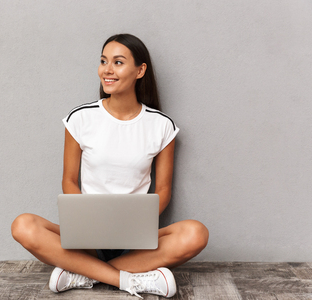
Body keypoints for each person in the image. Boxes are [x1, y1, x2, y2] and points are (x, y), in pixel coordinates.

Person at [11, 33, 209, 298]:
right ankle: (128, 280)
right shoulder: (80, 118)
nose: (107, 69)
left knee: (196, 233)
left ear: (140, 70)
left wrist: (134, 224)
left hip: (137, 239)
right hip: (88, 238)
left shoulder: (162, 125)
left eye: (118, 62)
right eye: (104, 61)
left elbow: (162, 189)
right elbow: (69, 180)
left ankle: (80, 273)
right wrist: (85, 223)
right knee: (23, 225)